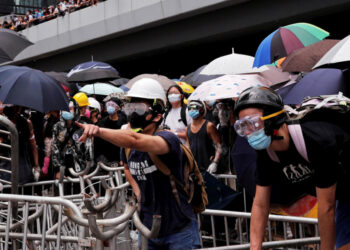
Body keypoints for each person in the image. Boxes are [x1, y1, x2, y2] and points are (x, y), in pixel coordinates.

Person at [76, 78, 201, 249]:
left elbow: (135, 140)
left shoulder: (167, 139)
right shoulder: (128, 147)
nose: (134, 113)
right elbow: (126, 167)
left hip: (179, 230)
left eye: (140, 108)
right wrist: (138, 191)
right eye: (131, 107)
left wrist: (98, 130)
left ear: (157, 115)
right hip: (148, 228)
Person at [233, 86, 350, 250]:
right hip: (344, 195)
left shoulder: (316, 139)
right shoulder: (266, 152)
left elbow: (326, 208)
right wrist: (255, 247)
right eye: (243, 126)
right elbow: (260, 205)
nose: (249, 133)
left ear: (272, 119)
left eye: (253, 123)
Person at [51, 99, 93, 186]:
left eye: (70, 109)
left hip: (80, 167)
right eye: (64, 109)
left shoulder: (83, 126)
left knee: (80, 192)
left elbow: (89, 148)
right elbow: (55, 148)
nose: (67, 111)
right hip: (63, 168)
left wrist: (87, 170)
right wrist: (58, 170)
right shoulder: (57, 126)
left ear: (76, 109)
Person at [186, 100, 222, 174]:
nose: (192, 110)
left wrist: (215, 162)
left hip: (209, 166)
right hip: (195, 168)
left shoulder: (209, 126)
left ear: (202, 110)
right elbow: (188, 146)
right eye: (190, 108)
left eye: (195, 108)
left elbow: (219, 146)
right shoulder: (187, 128)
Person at [94, 97, 127, 166]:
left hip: (121, 158)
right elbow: (98, 146)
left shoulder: (124, 122)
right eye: (108, 105)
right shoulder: (101, 123)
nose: (110, 107)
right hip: (106, 159)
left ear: (118, 108)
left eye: (113, 105)